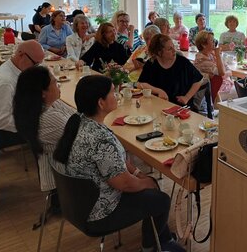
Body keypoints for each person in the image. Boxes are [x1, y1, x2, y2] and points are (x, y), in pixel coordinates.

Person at [53, 75, 184, 252]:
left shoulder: (79, 121)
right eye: (113, 93)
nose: (117, 97)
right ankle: (152, 246)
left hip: (78, 204)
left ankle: (161, 238)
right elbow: (123, 184)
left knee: (150, 188)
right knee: (160, 198)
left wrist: (138, 173)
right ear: (101, 102)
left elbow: (117, 161)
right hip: (99, 212)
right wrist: (147, 182)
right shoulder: (100, 138)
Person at [0, 40, 45, 197]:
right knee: (49, 133)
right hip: (0, 130)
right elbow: (0, 120)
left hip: (11, 120)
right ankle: (53, 186)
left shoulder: (14, 69)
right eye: (35, 63)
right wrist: (31, 125)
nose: (36, 68)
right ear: (22, 55)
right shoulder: (5, 81)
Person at [13, 66, 75, 193]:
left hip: (67, 162)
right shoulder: (47, 117)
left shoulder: (50, 104)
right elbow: (84, 133)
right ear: (42, 92)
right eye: (54, 82)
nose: (58, 85)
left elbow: (77, 117)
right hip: (68, 175)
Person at [137, 34, 203, 106]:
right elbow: (141, 84)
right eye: (169, 49)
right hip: (158, 104)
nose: (174, 50)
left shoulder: (182, 62)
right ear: (159, 52)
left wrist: (187, 97)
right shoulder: (151, 63)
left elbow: (198, 80)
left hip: (180, 107)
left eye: (173, 47)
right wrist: (159, 91)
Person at [194, 30, 234, 97]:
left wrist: (225, 73)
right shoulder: (201, 60)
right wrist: (218, 55)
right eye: (212, 40)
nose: (214, 42)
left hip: (223, 85)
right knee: (243, 93)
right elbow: (222, 72)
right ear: (203, 45)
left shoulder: (211, 54)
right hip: (213, 92)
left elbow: (228, 70)